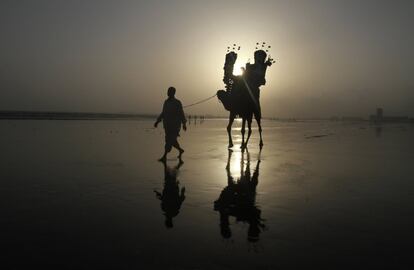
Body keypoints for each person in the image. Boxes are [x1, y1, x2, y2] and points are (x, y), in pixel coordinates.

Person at [154, 86, 187, 161]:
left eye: (169, 91)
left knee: (169, 141)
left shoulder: (177, 102)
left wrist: (184, 124)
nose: (168, 92)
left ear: (173, 93)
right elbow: (163, 113)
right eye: (168, 91)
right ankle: (180, 150)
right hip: (167, 125)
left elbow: (181, 113)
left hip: (175, 126)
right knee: (172, 140)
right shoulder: (166, 102)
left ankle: (164, 156)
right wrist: (157, 121)